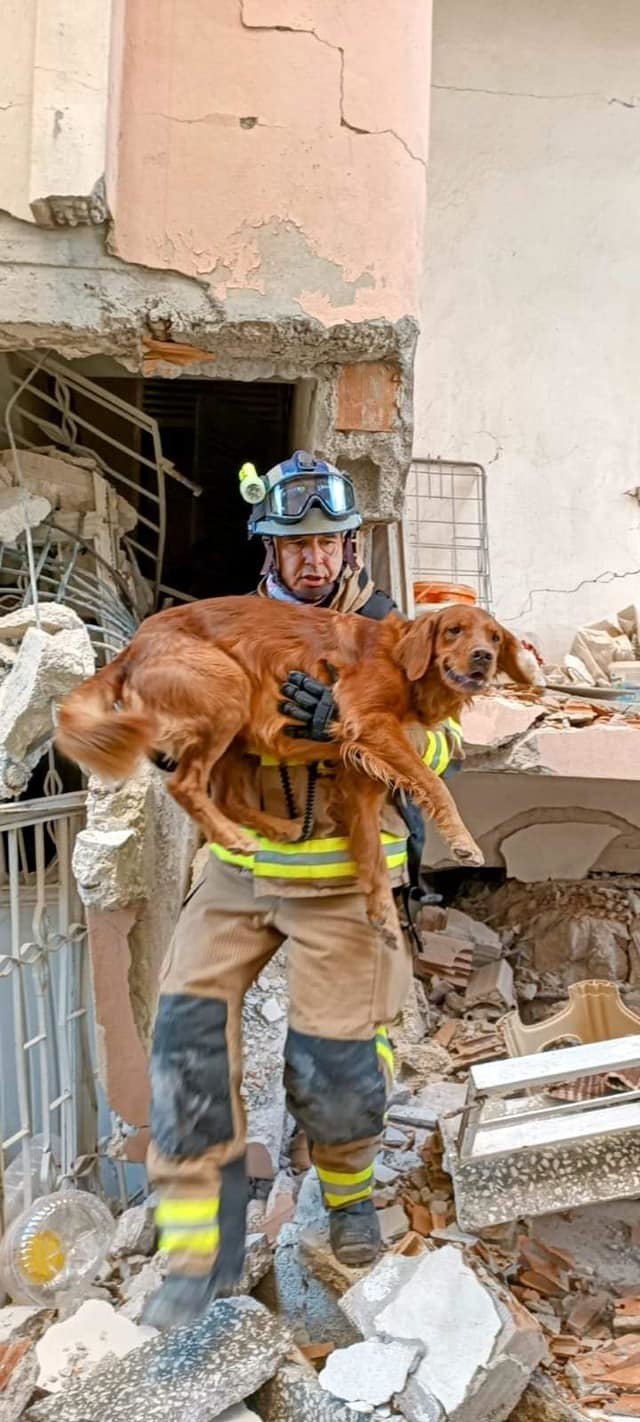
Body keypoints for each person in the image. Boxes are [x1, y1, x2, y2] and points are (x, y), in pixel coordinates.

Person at [143, 450, 462, 1329]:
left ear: (350, 545)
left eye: (326, 542)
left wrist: (358, 726)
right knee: (185, 1039)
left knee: (333, 1067)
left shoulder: (398, 634)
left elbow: (442, 752)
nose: (313, 559)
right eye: (296, 545)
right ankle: (197, 1245)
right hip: (241, 872)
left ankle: (349, 1198)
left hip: (340, 881)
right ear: (270, 552)